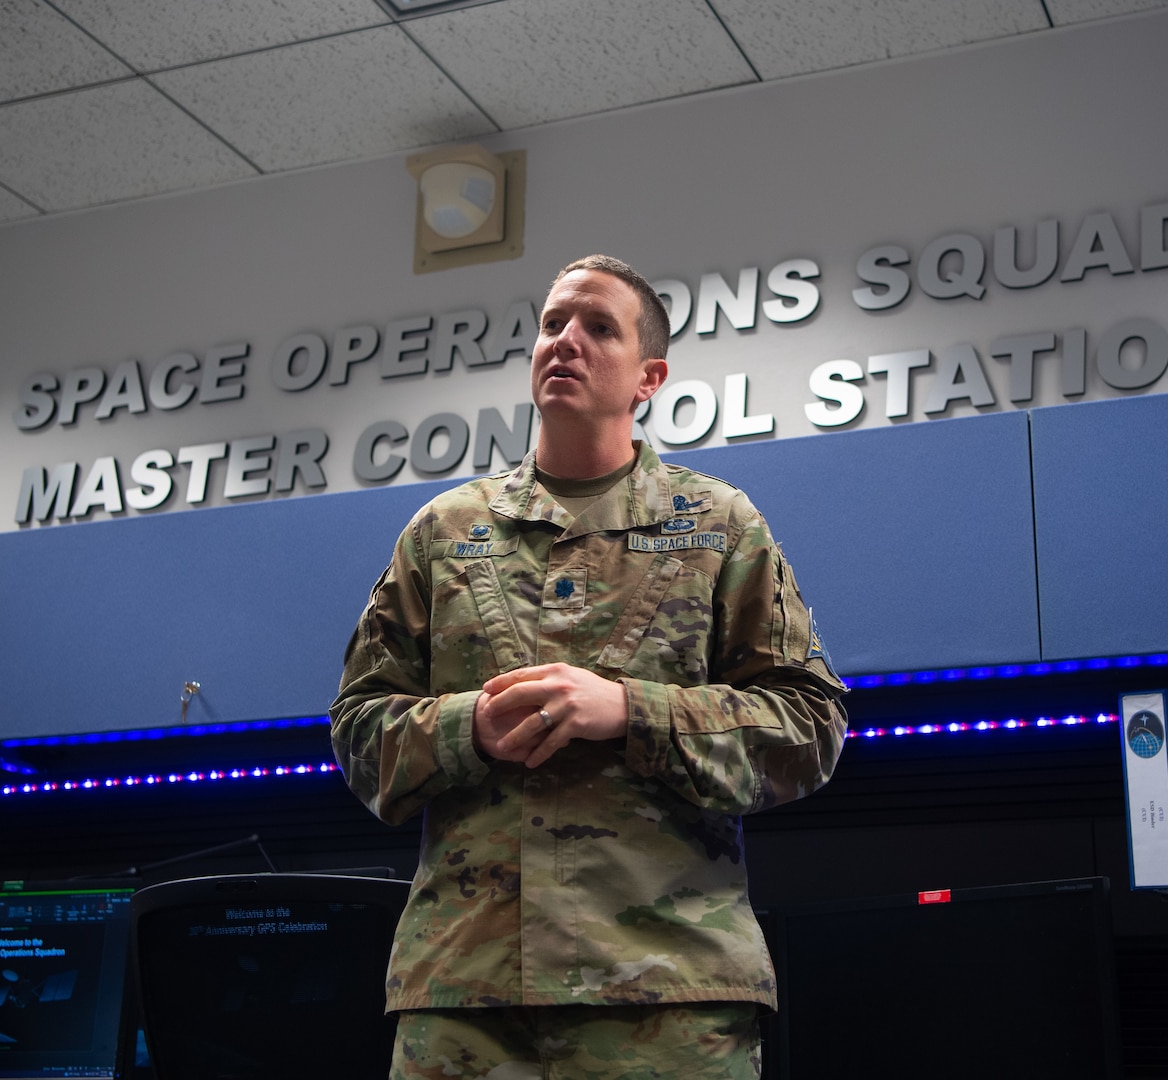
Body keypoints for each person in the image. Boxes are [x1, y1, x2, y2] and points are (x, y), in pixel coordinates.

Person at [331, 254, 847, 1080]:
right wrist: (469, 729)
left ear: (650, 377)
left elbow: (808, 727)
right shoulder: (442, 530)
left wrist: (632, 712)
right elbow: (359, 734)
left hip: (668, 1000)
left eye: (598, 326)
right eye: (551, 324)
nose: (565, 340)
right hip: (466, 1002)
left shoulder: (718, 524)